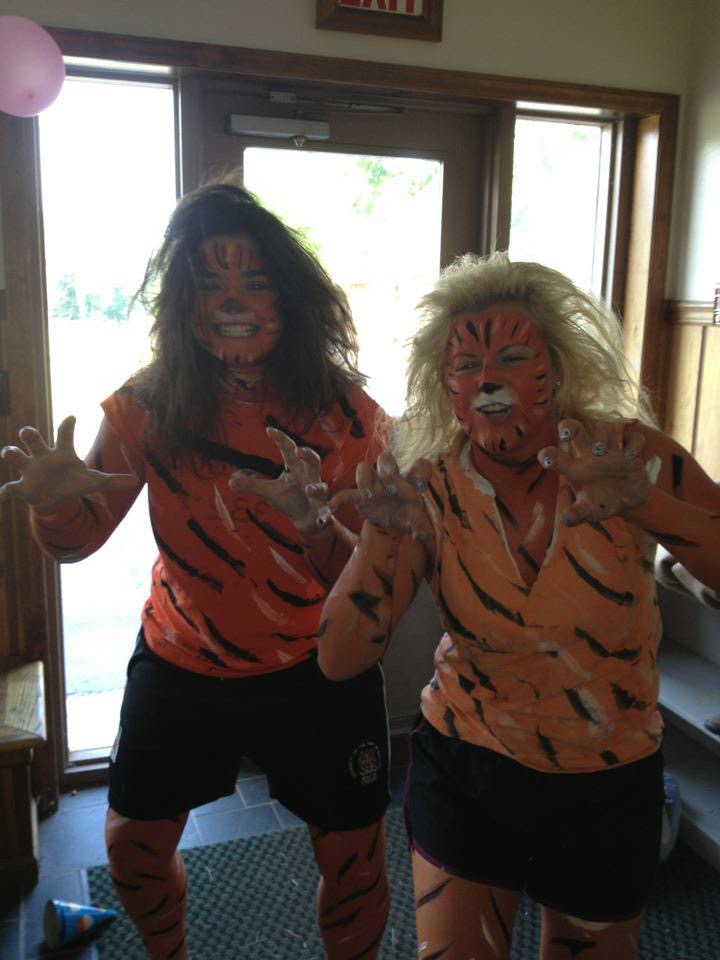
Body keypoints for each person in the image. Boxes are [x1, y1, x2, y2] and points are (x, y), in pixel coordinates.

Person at [0, 182, 392, 960]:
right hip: (182, 658)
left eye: (254, 281)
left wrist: (313, 525)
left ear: (291, 298)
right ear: (182, 304)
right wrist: (52, 507)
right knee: (133, 849)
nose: (232, 301)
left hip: (318, 662)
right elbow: (79, 541)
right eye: (209, 284)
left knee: (354, 861)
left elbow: (369, 587)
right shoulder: (148, 404)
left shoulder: (349, 417)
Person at [317, 252, 720, 960]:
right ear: (445, 383)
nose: (488, 380)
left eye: (511, 357)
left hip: (609, 772)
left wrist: (649, 505)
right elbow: (339, 658)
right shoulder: (429, 488)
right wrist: (380, 538)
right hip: (466, 763)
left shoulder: (630, 456)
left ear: (557, 369)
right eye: (466, 366)